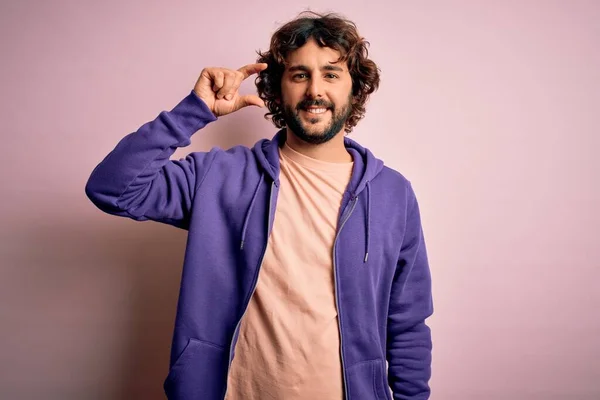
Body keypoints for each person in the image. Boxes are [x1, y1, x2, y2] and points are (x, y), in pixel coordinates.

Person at [85, 11, 433, 400]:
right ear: (278, 89)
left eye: (331, 74)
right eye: (299, 75)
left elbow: (407, 323)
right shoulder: (219, 175)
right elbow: (112, 188)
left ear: (355, 90)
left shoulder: (392, 194)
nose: (315, 90)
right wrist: (192, 112)